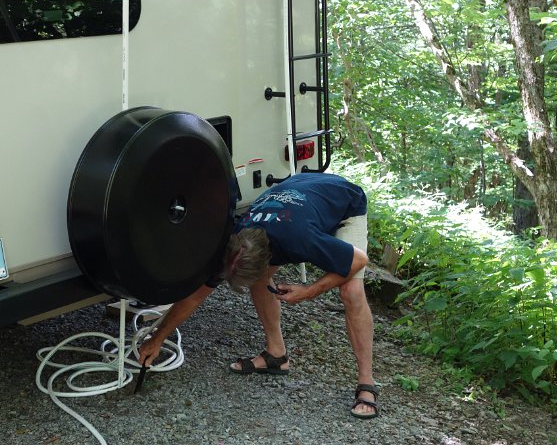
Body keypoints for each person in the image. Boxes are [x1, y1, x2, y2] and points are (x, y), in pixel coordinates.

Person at [138, 172, 379, 419]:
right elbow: (195, 296)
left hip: (343, 201)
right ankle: (277, 355)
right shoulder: (236, 239)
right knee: (260, 279)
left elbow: (359, 261)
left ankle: (366, 383)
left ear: (271, 255)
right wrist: (157, 339)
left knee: (351, 291)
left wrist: (309, 291)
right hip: (300, 192)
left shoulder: (299, 240)